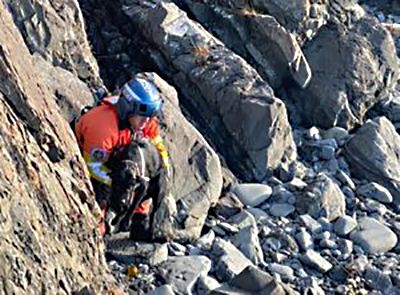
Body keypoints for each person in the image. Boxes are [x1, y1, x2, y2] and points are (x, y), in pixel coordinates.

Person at [74, 73, 170, 238]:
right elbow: (93, 167)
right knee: (104, 191)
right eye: (142, 117)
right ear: (128, 109)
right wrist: (117, 183)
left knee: (154, 171)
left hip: (121, 160)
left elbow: (158, 148)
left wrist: (162, 172)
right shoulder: (103, 128)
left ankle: (141, 220)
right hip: (96, 163)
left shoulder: (146, 121)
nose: (145, 122)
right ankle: (100, 226)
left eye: (149, 117)